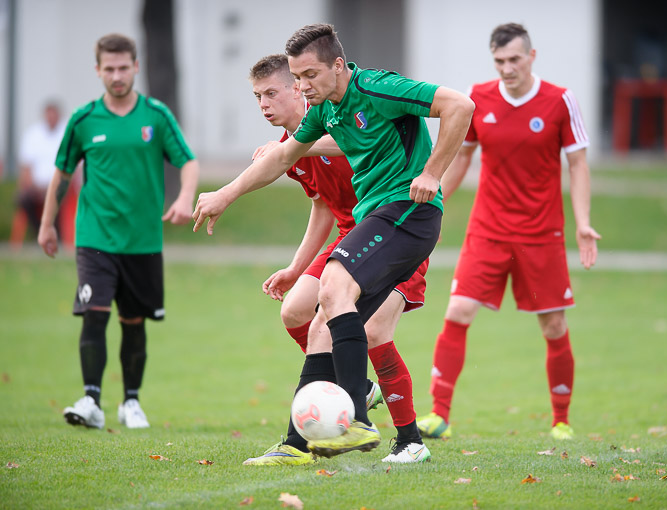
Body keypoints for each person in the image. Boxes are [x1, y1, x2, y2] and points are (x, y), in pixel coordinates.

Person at [193, 24, 474, 459]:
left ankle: (357, 419)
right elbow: (282, 157)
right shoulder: (325, 112)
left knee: (335, 287)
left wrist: (432, 172)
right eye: (297, 77)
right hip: (375, 219)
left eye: (310, 75)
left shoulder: (377, 87)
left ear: (338, 66)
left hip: (408, 210)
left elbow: (460, 105)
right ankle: (299, 443)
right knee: (322, 322)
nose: (303, 86)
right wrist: (225, 195)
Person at [238, 54, 432, 464]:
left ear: (297, 90)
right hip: (350, 237)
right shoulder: (295, 149)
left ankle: (410, 440)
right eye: (257, 97)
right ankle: (339, 402)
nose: (264, 104)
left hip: (392, 231)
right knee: (296, 312)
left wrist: (289, 150)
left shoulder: (334, 123)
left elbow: (351, 142)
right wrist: (296, 267)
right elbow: (323, 207)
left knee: (374, 331)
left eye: (272, 93)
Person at [416, 23, 600, 441]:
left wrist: (584, 223)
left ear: (532, 57)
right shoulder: (478, 97)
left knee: (553, 326)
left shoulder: (560, 100)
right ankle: (439, 415)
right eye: (499, 61)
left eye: (515, 59)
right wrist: (434, 204)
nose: (507, 68)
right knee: (458, 311)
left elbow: (578, 165)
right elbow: (461, 157)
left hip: (541, 234)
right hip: (488, 229)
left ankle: (561, 420)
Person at [38, 33, 199, 430]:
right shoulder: (84, 120)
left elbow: (188, 162)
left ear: (135, 67)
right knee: (93, 314)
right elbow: (62, 173)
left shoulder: (156, 116)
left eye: (123, 67)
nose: (117, 75)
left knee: (133, 321)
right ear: (98, 70)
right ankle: (91, 400)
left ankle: (131, 402)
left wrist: (185, 198)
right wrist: (46, 224)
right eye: (109, 68)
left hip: (142, 241)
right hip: (95, 237)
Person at [15, 101, 66, 236]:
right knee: (23, 199)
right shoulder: (33, 134)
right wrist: (32, 185)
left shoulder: (67, 133)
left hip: (59, 185)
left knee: (58, 198)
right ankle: (40, 231)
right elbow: (26, 166)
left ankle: (57, 234)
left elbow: (73, 165)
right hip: (36, 186)